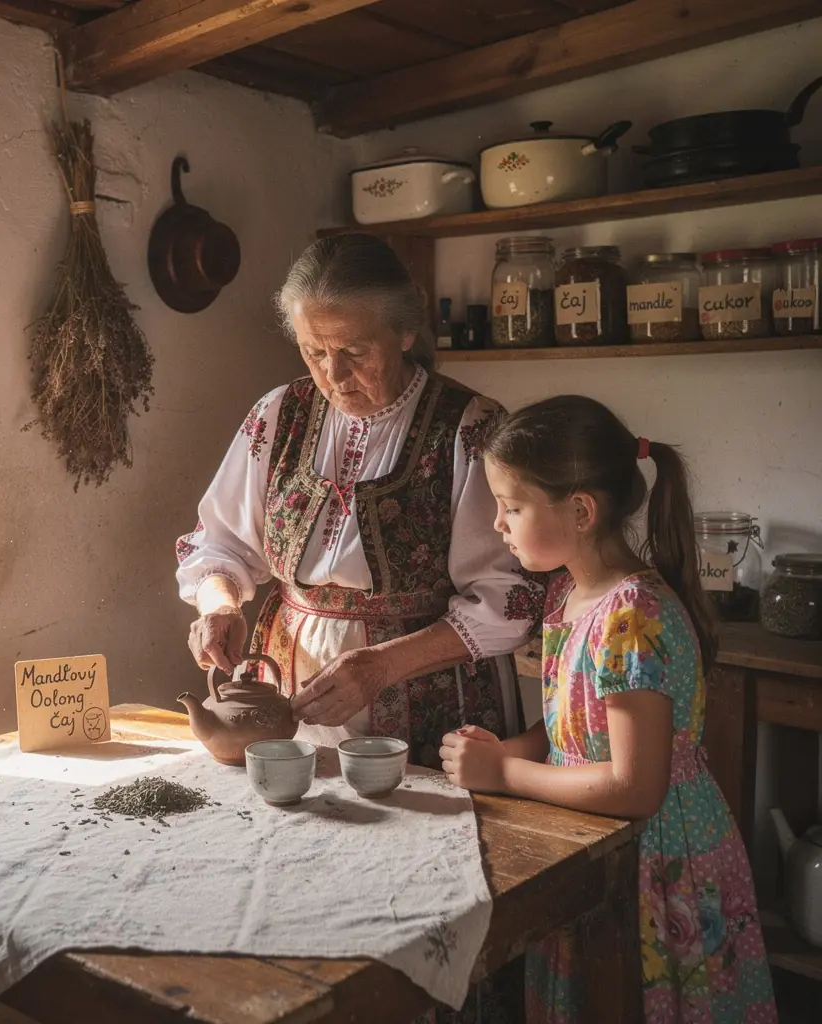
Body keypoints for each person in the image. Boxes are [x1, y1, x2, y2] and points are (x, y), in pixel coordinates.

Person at [176, 234, 544, 1022]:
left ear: (406, 332)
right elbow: (221, 543)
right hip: (291, 682)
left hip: (431, 686)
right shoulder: (277, 415)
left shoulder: (470, 429)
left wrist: (382, 666)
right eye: (315, 351)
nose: (334, 376)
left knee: (415, 903)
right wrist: (219, 605)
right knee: (300, 884)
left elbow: (511, 595)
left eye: (355, 351)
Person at [439, 396, 777, 1023]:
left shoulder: (630, 617)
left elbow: (634, 785)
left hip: (653, 861)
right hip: (595, 844)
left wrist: (504, 777)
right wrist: (507, 750)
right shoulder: (569, 593)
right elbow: (577, 729)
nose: (497, 525)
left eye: (512, 506)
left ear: (582, 510)